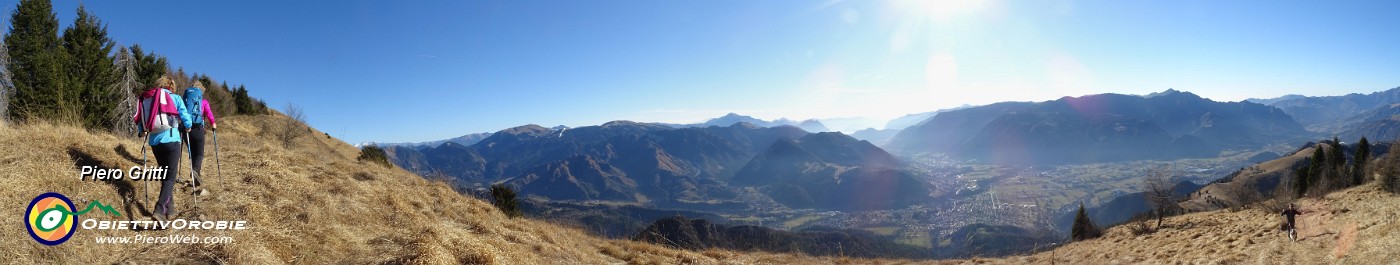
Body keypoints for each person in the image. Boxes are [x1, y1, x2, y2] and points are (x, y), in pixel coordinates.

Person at [133, 76, 192, 222]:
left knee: (165, 177)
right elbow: (185, 116)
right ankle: (159, 210)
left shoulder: (149, 98)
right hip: (171, 140)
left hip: (155, 142)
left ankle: (169, 210)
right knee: (170, 177)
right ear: (171, 86)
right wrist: (188, 126)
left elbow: (141, 118)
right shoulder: (175, 97)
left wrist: (142, 130)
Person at [183, 81, 217, 192]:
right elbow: (209, 113)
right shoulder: (203, 102)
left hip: (186, 129)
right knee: (200, 153)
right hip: (198, 129)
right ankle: (195, 171)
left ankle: (196, 175)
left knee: (192, 153)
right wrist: (213, 123)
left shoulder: (186, 99)